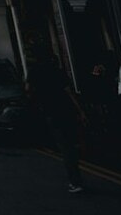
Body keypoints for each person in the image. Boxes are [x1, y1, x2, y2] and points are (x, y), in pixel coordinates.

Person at [28, 56, 86, 195]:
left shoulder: (35, 72)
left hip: (51, 112)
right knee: (70, 145)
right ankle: (75, 177)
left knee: (65, 146)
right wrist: (81, 111)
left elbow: (28, 89)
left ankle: (75, 181)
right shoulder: (59, 72)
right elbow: (69, 91)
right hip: (67, 111)